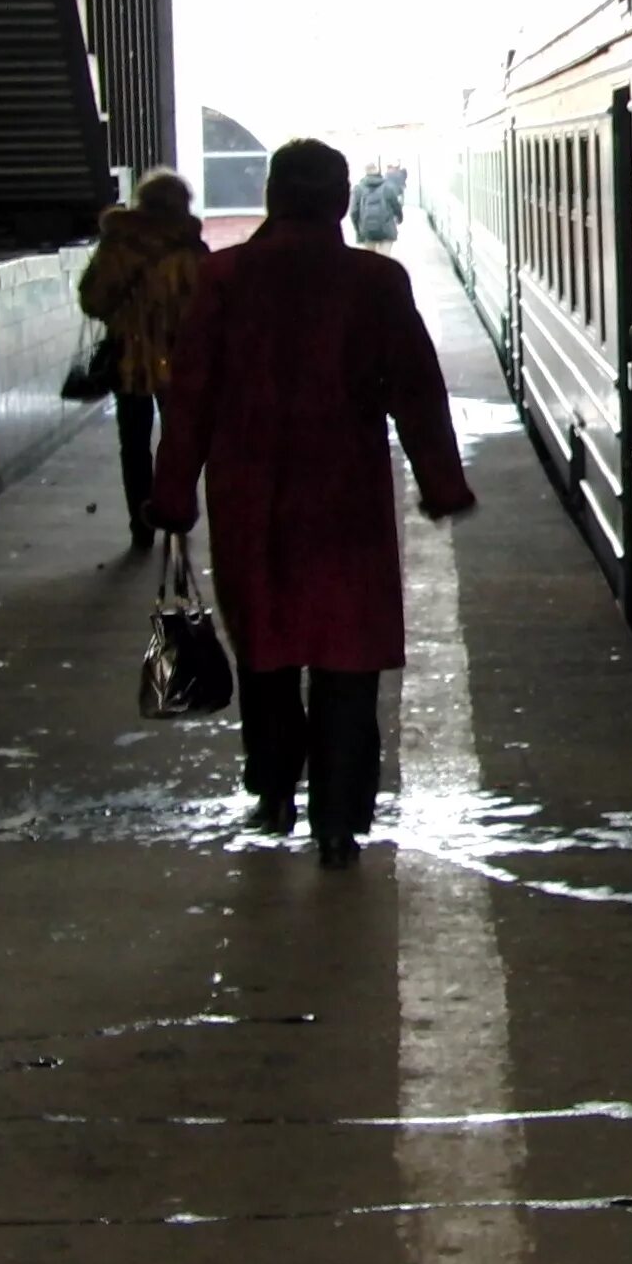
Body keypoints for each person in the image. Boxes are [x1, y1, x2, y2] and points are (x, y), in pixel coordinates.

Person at [147, 140, 477, 865]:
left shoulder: (224, 279)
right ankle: (339, 824)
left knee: (267, 656)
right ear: (337, 201)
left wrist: (172, 495)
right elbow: (418, 392)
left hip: (252, 502)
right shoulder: (375, 281)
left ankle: (272, 792)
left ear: (271, 197)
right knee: (345, 663)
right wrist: (442, 484)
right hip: (344, 504)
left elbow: (191, 397)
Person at [77, 169, 206, 555]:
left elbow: (93, 301)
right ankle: (175, 511)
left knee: (133, 444)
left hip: (130, 359)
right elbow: (209, 307)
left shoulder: (119, 245)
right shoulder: (191, 251)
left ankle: (141, 527)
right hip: (181, 360)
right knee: (180, 440)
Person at [350, 165, 403, 248]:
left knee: (370, 259)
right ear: (378, 172)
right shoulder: (388, 187)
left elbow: (353, 212)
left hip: (367, 230)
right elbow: (396, 206)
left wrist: (358, 230)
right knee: (385, 259)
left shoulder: (358, 189)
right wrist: (400, 218)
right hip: (387, 229)